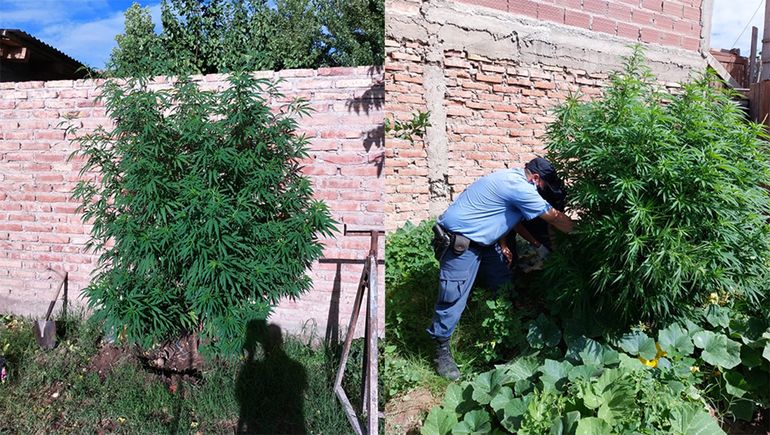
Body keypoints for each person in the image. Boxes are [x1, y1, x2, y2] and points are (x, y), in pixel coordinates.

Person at [428, 157, 573, 380]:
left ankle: (504, 335)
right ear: (536, 178)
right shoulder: (520, 187)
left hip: (484, 242)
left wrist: (510, 243)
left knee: (502, 282)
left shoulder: (511, 177)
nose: (543, 191)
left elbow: (509, 217)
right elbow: (554, 218)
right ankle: (441, 349)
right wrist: (586, 232)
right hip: (461, 243)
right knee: (453, 297)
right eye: (544, 186)